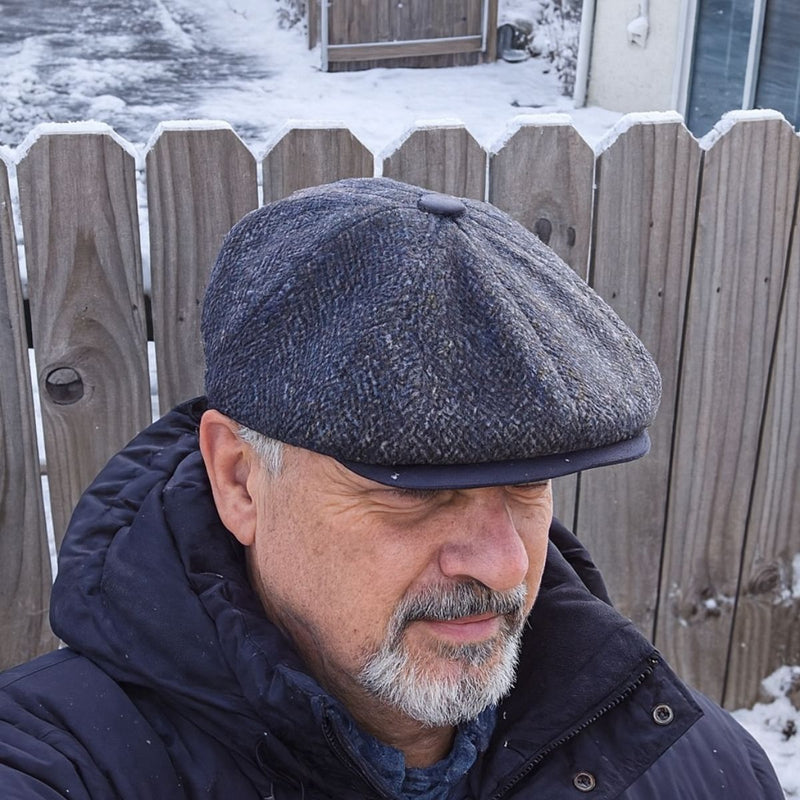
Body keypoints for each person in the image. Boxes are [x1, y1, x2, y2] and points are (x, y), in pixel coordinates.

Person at [0, 178, 782, 799]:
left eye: (528, 486)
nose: (506, 566)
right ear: (241, 481)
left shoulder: (694, 764)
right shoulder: (61, 763)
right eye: (416, 493)